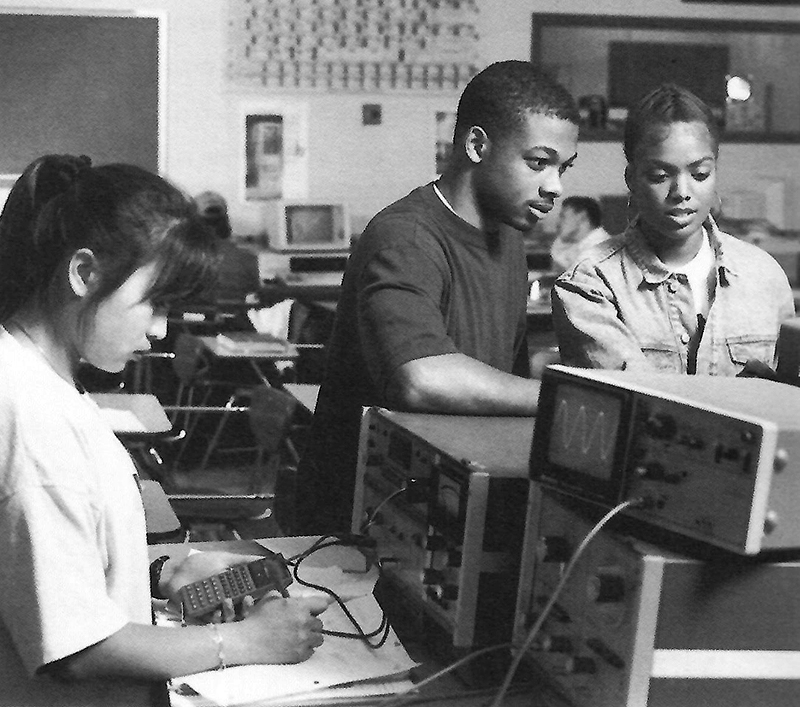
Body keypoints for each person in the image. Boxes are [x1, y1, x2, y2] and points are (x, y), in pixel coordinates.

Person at [0, 155, 329, 706]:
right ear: (84, 274)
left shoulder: (41, 377)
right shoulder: (31, 419)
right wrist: (243, 641)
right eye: (152, 303)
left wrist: (163, 570)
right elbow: (78, 650)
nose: (157, 331)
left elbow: (54, 566)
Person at [297, 60, 580, 533]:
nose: (555, 186)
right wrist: (567, 400)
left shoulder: (507, 240)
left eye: (563, 168)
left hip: (449, 509)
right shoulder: (406, 237)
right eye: (538, 163)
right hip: (358, 528)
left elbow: (498, 382)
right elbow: (420, 377)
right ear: (476, 145)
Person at [552, 83, 795, 374]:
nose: (681, 191)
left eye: (700, 174)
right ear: (631, 178)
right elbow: (638, 404)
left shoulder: (764, 276)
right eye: (659, 175)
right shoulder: (591, 284)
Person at [194, 189, 261, 304]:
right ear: (226, 221)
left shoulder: (177, 255)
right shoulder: (247, 257)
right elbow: (255, 291)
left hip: (192, 318)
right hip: (235, 318)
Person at [549, 196, 610, 273]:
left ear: (581, 217)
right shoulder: (578, 244)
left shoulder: (599, 248)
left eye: (563, 216)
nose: (558, 222)